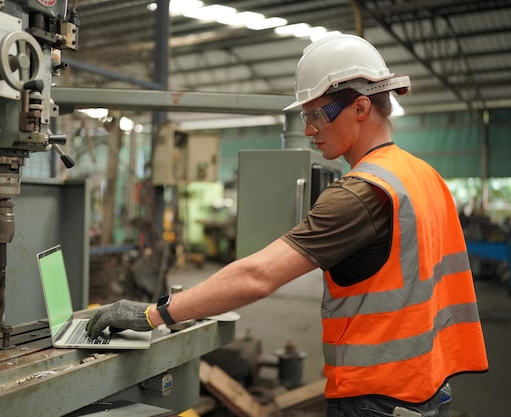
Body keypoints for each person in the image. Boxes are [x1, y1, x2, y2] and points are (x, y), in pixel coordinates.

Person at [86, 34, 488, 417]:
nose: (309, 130)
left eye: (317, 114)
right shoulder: (424, 176)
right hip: (428, 388)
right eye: (305, 116)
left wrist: (153, 315)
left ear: (361, 108)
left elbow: (258, 275)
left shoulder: (361, 193)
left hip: (377, 397)